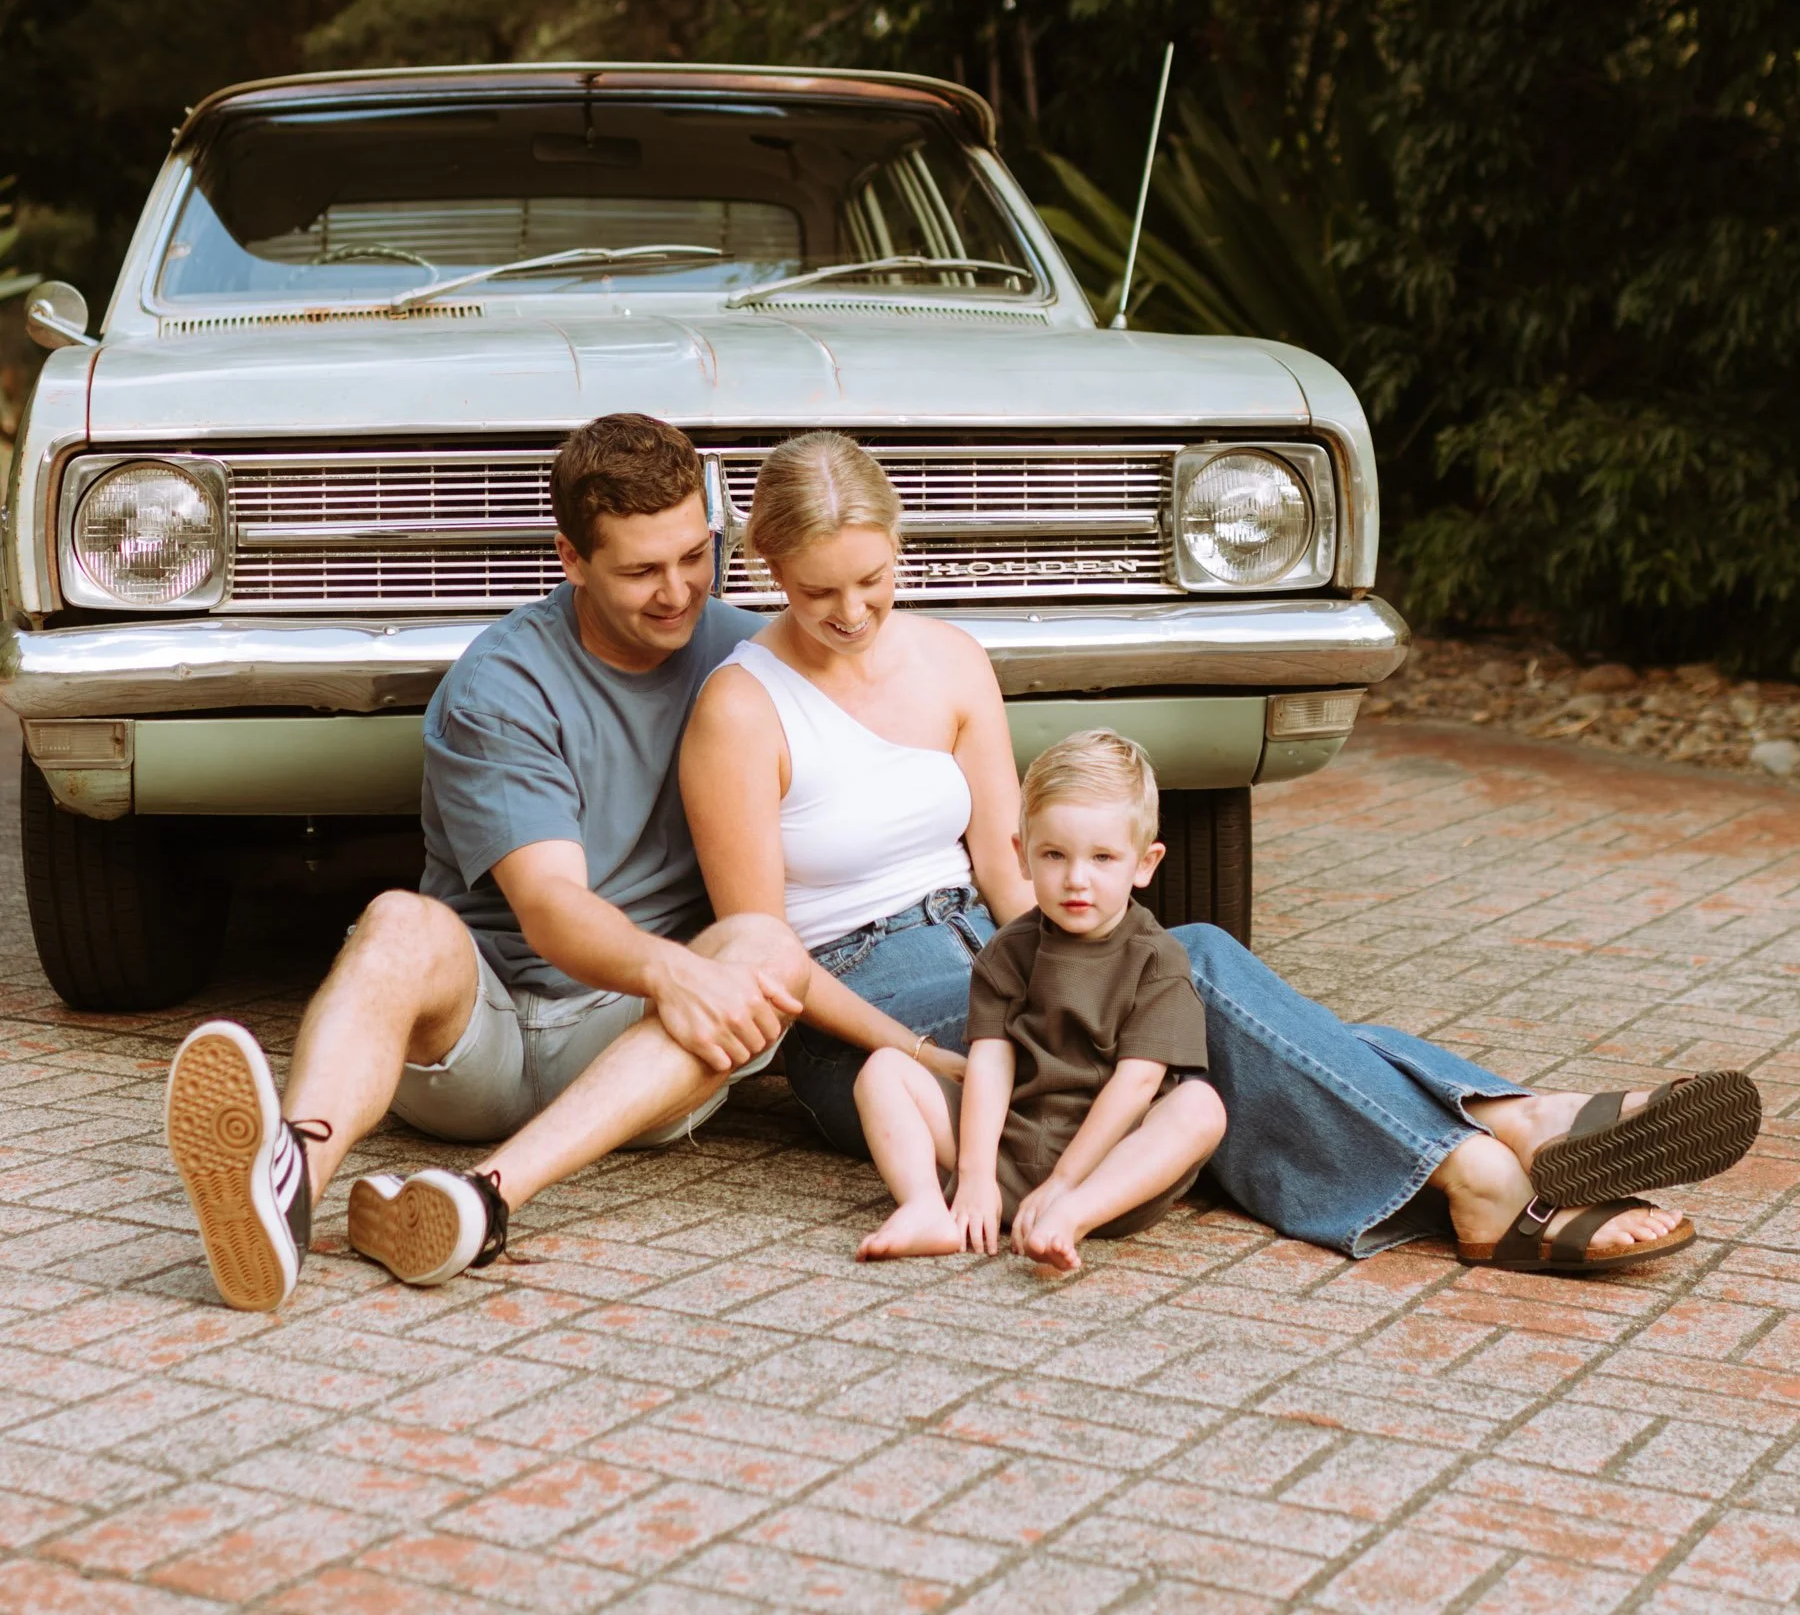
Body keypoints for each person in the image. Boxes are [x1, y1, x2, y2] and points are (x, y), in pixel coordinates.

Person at [680, 431, 1763, 1277]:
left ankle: (1484, 1150)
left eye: (873, 578)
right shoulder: (740, 710)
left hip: (990, 940)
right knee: (1192, 969)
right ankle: (1485, 1138)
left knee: (1176, 980)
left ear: (900, 543)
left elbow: (1011, 871)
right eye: (817, 591)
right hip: (860, 1008)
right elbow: (765, 956)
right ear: (767, 566)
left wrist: (1068, 958)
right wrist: (937, 1056)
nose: (852, 611)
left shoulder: (951, 659)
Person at [163, 414, 808, 1311]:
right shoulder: (503, 682)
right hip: (483, 1036)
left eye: (695, 556)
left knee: (768, 949)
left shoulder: (751, 655)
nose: (678, 591)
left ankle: (480, 1199)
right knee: (397, 920)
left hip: (638, 1053)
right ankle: (289, 1176)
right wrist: (676, 972)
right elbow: (550, 910)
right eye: (640, 570)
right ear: (570, 559)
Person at [854, 729, 1226, 1270]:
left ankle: (1067, 1221)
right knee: (885, 1069)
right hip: (1006, 1154)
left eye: (1103, 857)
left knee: (1201, 1107)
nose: (1077, 879)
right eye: (1054, 854)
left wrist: (1065, 1185)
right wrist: (978, 1175)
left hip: (1103, 1176)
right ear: (1021, 856)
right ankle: (926, 1208)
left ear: (1145, 864)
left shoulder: (1157, 959)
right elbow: (990, 1061)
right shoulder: (1010, 950)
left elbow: (1138, 1083)